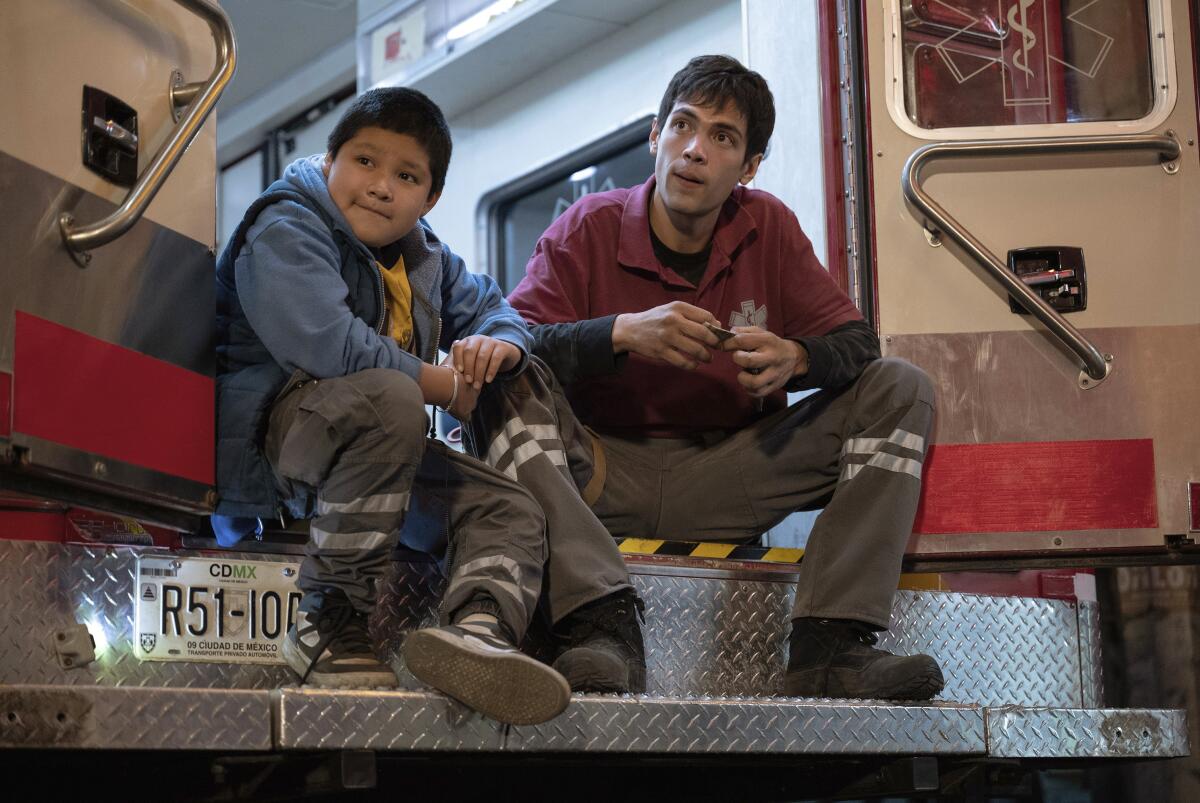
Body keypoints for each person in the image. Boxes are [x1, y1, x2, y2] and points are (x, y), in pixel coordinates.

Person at [503, 55, 945, 701]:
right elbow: (510, 342)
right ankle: (598, 625)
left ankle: (830, 646)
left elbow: (858, 345)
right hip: (597, 473)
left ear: (749, 167)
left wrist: (797, 358)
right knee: (499, 384)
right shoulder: (587, 226)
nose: (694, 151)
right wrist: (622, 333)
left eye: (723, 137)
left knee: (901, 386)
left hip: (732, 476)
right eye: (682, 125)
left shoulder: (767, 225)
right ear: (655, 136)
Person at [213, 87, 581, 726]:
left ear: (429, 198)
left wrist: (497, 346)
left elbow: (497, 309)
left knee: (507, 503)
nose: (382, 187)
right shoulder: (285, 224)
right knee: (393, 398)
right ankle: (327, 617)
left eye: (406, 176)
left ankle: (478, 632)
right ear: (329, 161)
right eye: (364, 162)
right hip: (279, 446)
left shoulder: (425, 256)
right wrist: (439, 384)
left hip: (374, 448)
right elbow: (331, 347)